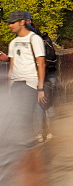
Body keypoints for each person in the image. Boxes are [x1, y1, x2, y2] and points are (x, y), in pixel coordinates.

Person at [3, 11, 46, 140]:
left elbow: (41, 63)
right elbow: (12, 65)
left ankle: (29, 142)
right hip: (17, 83)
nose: (10, 25)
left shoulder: (34, 39)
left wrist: (40, 88)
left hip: (30, 83)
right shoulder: (13, 43)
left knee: (26, 115)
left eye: (13, 22)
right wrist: (10, 85)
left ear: (22, 22)